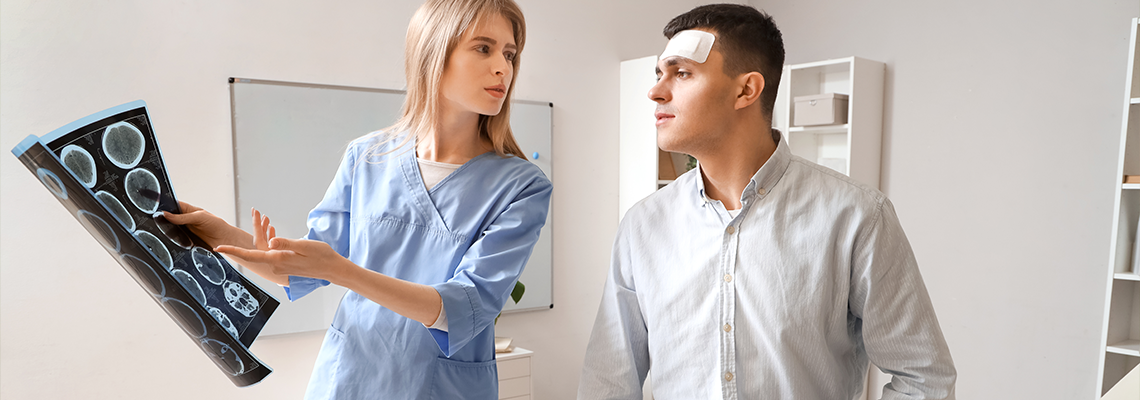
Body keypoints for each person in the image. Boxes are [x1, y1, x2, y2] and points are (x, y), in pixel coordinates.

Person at [165, 0, 551, 398]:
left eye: (510, 53)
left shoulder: (521, 186)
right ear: (434, 52)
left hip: (438, 388)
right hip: (348, 380)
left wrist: (342, 271)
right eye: (483, 48)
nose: (503, 67)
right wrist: (217, 233)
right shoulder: (367, 157)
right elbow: (301, 269)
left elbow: (465, 307)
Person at [578, 4, 955, 399]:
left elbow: (923, 378)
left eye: (682, 72)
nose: (656, 90)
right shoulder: (643, 225)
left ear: (746, 89)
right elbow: (608, 382)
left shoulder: (857, 217)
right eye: (659, 73)